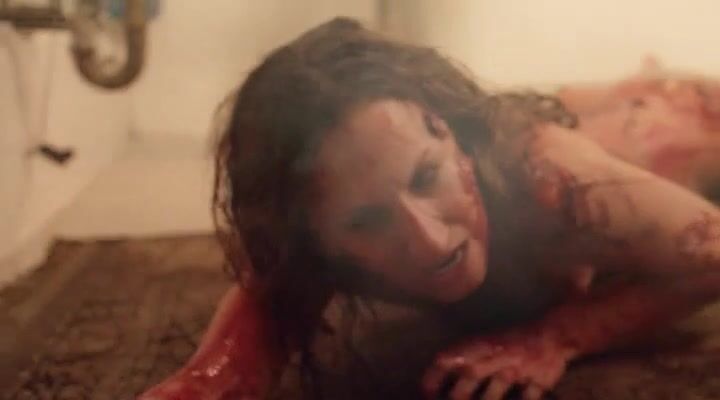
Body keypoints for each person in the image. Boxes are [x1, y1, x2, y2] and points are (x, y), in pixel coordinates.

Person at [139, 18, 720, 400]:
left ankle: (650, 85)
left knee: (663, 115)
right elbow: (260, 307)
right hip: (584, 117)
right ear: (319, 241)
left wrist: (558, 336)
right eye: (367, 221)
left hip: (673, 128)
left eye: (426, 176)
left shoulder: (551, 181)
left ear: (453, 136)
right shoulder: (314, 225)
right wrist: (208, 378)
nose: (431, 243)